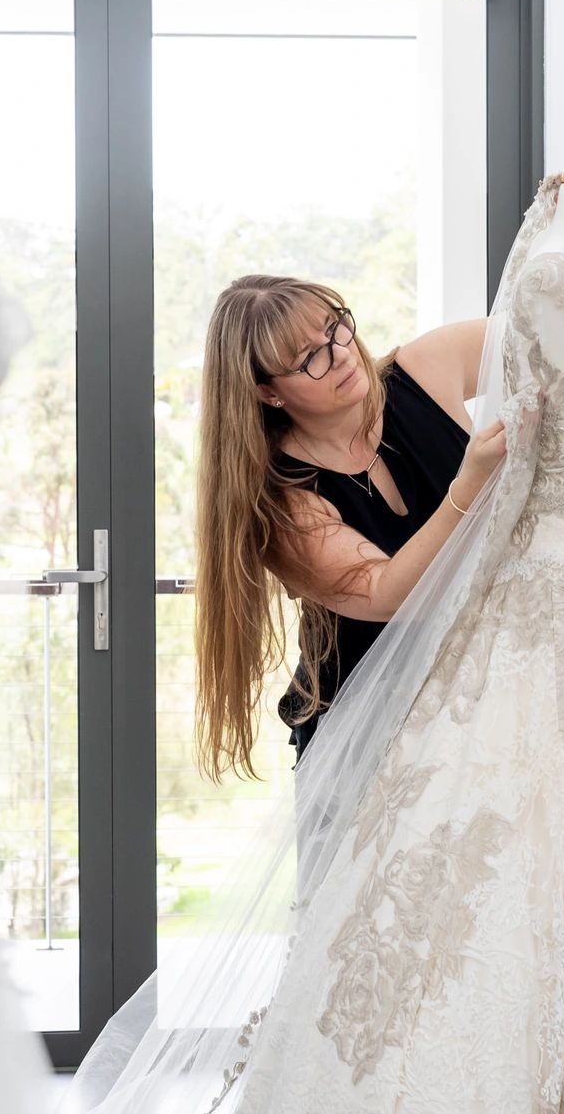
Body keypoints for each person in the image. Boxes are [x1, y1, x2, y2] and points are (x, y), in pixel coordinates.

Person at [190, 276, 508, 779]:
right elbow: (387, 595)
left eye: (334, 327)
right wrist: (467, 487)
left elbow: (544, 327)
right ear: (268, 392)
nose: (340, 353)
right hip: (365, 734)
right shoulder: (279, 503)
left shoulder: (425, 368)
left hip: (488, 697)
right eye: (308, 358)